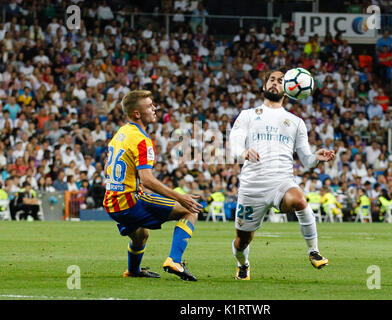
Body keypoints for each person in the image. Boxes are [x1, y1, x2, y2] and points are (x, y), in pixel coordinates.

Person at [229, 69, 335, 280]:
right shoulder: (248, 115)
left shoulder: (296, 122)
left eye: (280, 81)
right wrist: (243, 152)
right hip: (253, 185)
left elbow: (306, 159)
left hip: (281, 181)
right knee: (243, 240)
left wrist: (316, 157)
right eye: (272, 80)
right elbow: (235, 140)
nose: (275, 83)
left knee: (299, 200)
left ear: (288, 88)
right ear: (264, 86)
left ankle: (313, 251)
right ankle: (244, 264)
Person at [103, 90, 203, 281]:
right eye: (149, 106)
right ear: (137, 113)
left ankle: (133, 270)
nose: (154, 108)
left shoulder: (121, 133)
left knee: (141, 235)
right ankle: (175, 260)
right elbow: (147, 179)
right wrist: (179, 196)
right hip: (129, 200)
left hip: (111, 202)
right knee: (189, 210)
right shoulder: (142, 139)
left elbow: (110, 167)